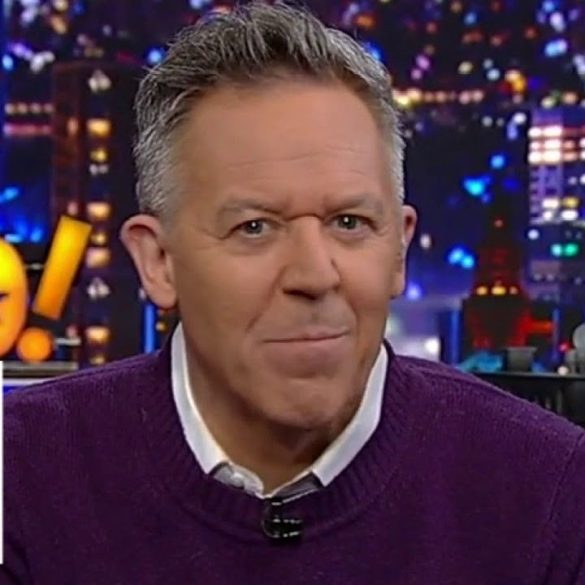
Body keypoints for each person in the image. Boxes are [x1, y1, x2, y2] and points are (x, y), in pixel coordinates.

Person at [4, 2, 585, 583]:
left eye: (350, 223)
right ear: (158, 262)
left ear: (399, 249)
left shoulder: (550, 488)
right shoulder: (20, 470)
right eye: (254, 227)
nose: (314, 275)